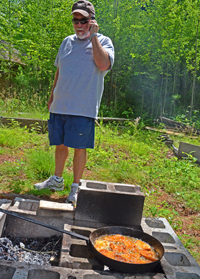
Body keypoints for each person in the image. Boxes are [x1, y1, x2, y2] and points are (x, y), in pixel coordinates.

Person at [34, 0, 114, 204]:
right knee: (60, 145)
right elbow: (59, 69)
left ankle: (75, 187)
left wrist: (94, 36)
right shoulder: (66, 41)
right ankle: (57, 180)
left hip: (83, 107)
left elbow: (103, 64)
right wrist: (52, 95)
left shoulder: (103, 41)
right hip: (61, 104)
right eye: (75, 20)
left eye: (83, 20)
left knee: (80, 148)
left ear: (92, 21)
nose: (78, 25)